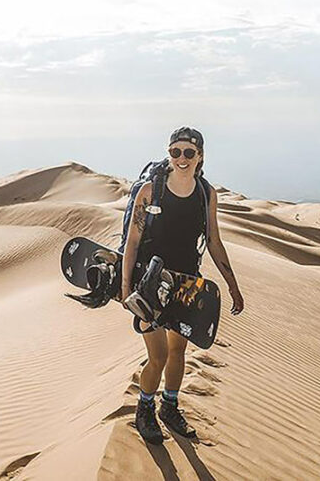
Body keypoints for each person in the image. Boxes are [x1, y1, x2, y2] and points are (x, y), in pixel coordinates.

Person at [121, 126, 244, 445]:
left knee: (178, 353)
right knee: (158, 355)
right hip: (149, 284)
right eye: (175, 152)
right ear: (169, 154)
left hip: (186, 284)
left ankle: (169, 406)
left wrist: (232, 284)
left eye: (188, 152)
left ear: (200, 155)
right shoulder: (151, 190)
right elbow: (132, 242)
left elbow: (214, 242)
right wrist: (125, 289)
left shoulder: (206, 193)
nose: (181, 158)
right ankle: (144, 410)